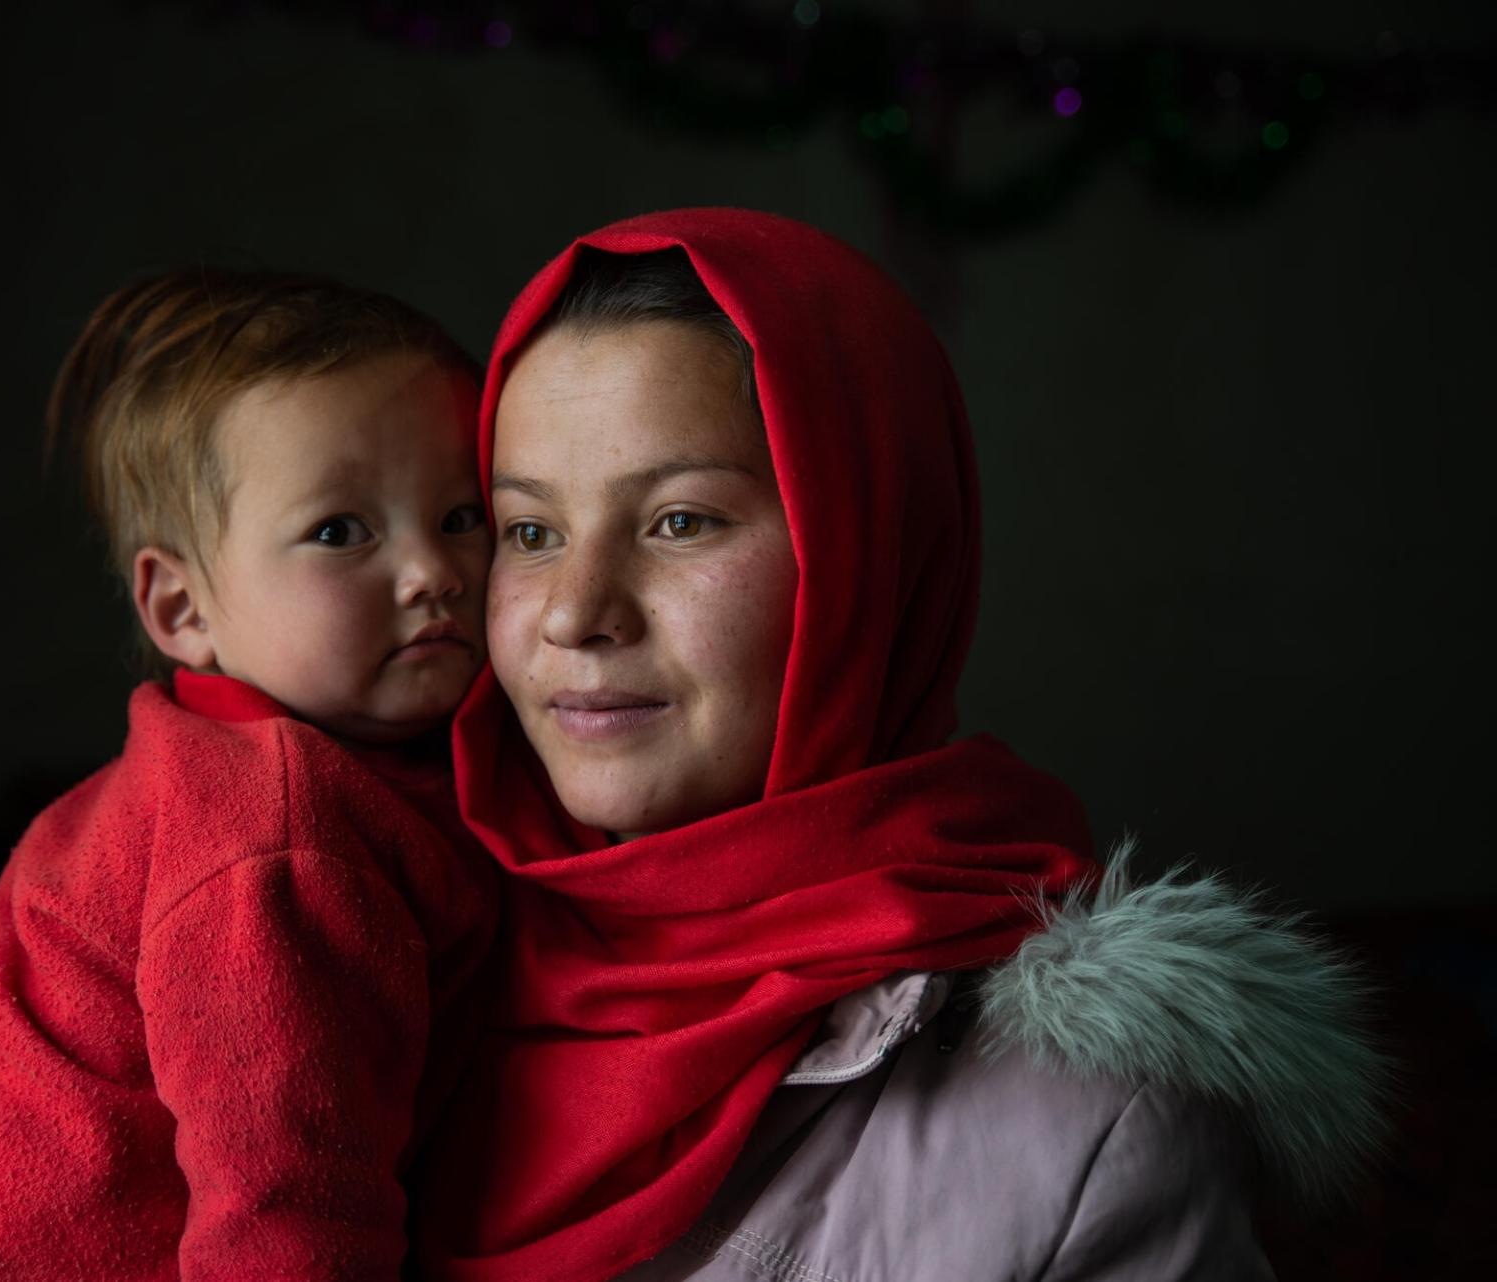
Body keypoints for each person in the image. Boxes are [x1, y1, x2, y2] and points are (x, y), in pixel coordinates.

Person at [410, 209, 1386, 1282]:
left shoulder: (1083, 1122)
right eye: (530, 532)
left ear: (870, 558)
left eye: (681, 520)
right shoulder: (377, 957)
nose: (575, 612)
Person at [0, 269, 499, 1282]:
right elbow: (284, 1207)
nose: (433, 569)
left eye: (464, 514)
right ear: (183, 610)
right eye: (340, 531)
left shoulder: (340, 760)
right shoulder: (271, 842)